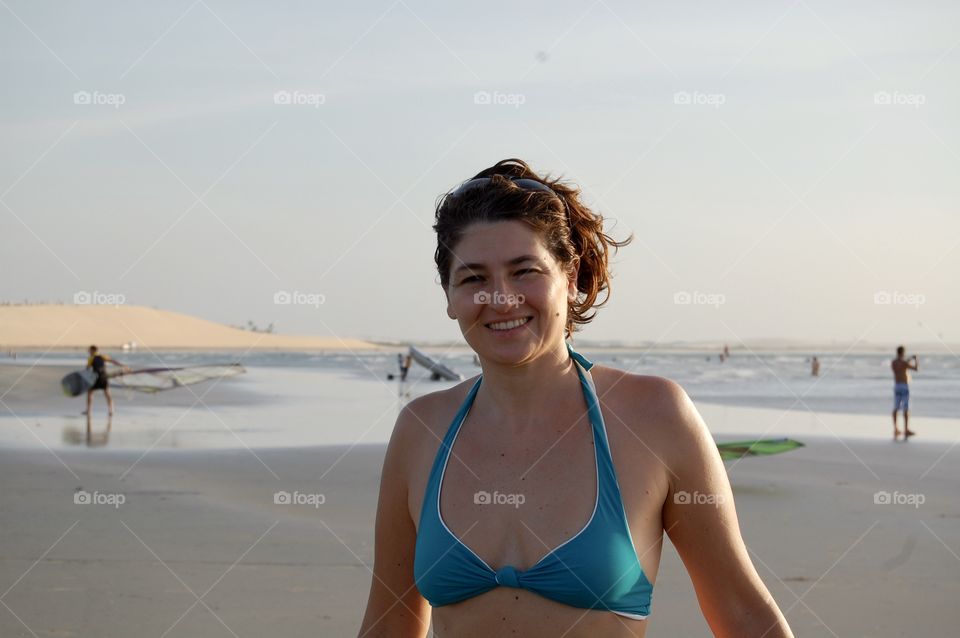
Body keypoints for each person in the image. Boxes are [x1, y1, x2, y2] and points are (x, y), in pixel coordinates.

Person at [358, 159, 793, 637]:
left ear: (570, 275)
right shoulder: (423, 428)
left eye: (524, 271)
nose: (501, 299)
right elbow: (390, 622)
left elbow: (744, 614)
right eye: (474, 278)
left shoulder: (652, 416)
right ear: (449, 295)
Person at [85, 345, 129, 416]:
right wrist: (122, 365)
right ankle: (111, 410)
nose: (88, 352)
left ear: (93, 350)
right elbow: (112, 361)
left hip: (95, 378)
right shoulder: (102, 356)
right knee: (107, 393)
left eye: (89, 350)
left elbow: (87, 368)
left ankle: (88, 411)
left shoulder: (91, 358)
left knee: (90, 393)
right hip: (103, 376)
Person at [891, 345, 918, 440]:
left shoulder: (894, 362)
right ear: (902, 352)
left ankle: (895, 428)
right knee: (905, 408)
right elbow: (916, 369)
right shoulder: (903, 362)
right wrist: (915, 359)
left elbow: (899, 366)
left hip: (897, 385)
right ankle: (906, 429)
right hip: (904, 386)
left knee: (896, 407)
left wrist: (909, 359)